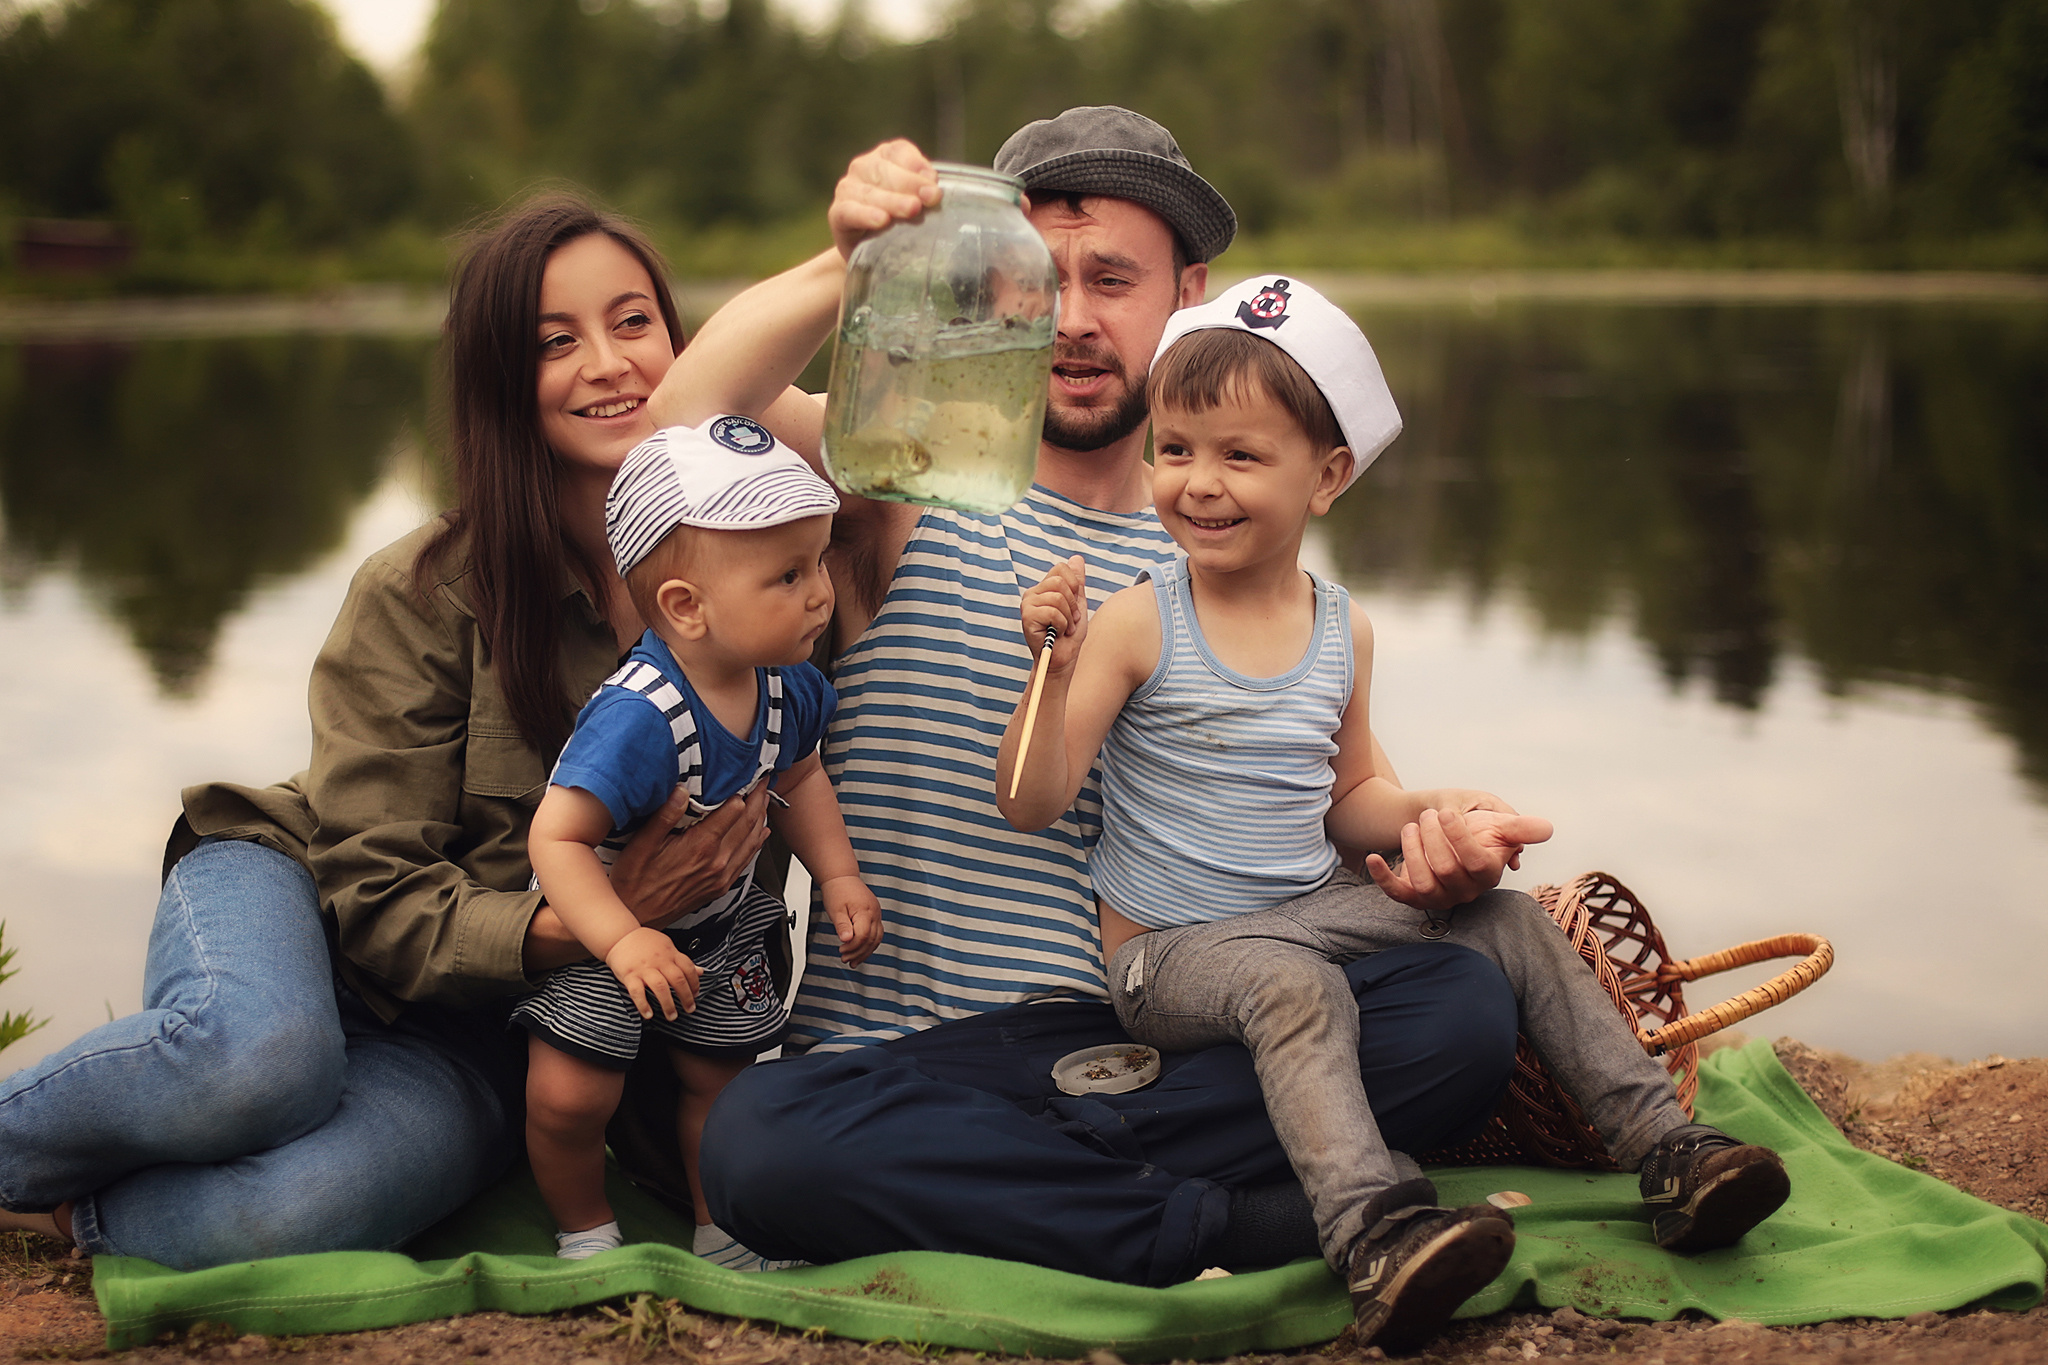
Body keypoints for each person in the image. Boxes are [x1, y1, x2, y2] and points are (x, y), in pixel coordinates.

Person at [655, 108, 1528, 1287]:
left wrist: (1431, 851)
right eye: (1038, 277)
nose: (1071, 319)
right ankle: (1234, 1225)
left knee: (1462, 1012)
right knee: (763, 1142)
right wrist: (846, 260)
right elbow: (677, 427)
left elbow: (1319, 818)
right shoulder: (905, 476)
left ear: (1188, 294)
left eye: (1111, 279)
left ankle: (1064, 1202)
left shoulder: (1240, 548)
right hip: (916, 1067)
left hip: (1160, 1049)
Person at [995, 276, 1790, 1350]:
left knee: (1508, 923)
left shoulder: (1340, 631)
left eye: (1239, 455)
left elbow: (1350, 803)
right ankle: (1371, 1230)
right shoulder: (1139, 623)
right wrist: (1051, 664)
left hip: (1306, 908)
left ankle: (1667, 1152)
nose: (1198, 484)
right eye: (1174, 450)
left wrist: (1440, 813)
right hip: (1168, 956)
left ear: (1324, 477)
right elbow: (1030, 802)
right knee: (1291, 982)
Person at [0, 195, 778, 1270]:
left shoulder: (762, 598)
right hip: (305, 893)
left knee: (305, 1210)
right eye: (554, 342)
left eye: (633, 321)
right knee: (261, 1064)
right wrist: (600, 921)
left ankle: (69, 1214)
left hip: (480, 1033)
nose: (608, 364)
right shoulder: (423, 589)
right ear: (501, 382)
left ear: (683, 344)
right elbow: (373, 894)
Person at [516, 418, 881, 1265]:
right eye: (787, 575)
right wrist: (622, 936)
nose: (821, 594)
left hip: (719, 925)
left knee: (720, 1086)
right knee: (570, 1094)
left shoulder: (787, 687)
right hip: (607, 935)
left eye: (819, 561)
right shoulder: (640, 716)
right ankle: (584, 1227)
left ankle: (720, 1228)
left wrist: (840, 875)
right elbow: (557, 838)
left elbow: (801, 776)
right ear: (686, 607)